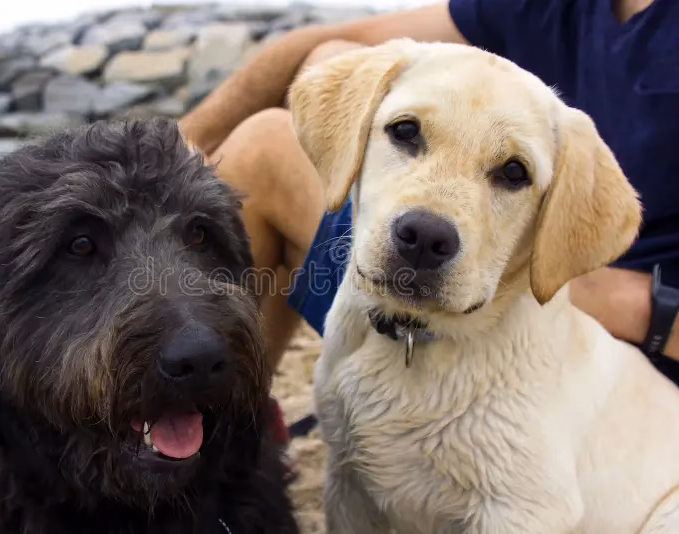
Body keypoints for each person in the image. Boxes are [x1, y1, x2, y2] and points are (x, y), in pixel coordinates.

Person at [177, 0, 679, 451]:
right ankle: (224, 422)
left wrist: (642, 307)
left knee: (266, 152)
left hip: (630, 373)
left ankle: (201, 426)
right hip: (472, 285)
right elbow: (312, 51)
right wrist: (169, 151)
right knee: (324, 66)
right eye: (407, 134)